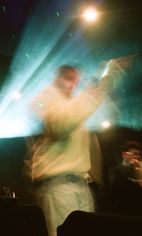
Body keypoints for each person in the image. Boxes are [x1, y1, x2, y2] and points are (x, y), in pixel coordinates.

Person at [24, 57, 133, 236]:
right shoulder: (44, 97)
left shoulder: (71, 105)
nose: (74, 84)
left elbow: (100, 111)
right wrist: (100, 85)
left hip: (81, 185)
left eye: (75, 79)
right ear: (57, 78)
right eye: (69, 78)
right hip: (60, 186)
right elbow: (60, 126)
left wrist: (108, 80)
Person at [107, 140, 142, 216]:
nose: (137, 157)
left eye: (140, 154)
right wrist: (130, 166)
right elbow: (115, 186)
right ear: (124, 155)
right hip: (122, 214)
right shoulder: (115, 170)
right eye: (134, 154)